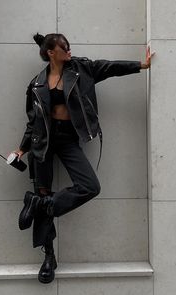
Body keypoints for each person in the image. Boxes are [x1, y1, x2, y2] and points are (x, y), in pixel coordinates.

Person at [11, 32, 155, 284]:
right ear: (50, 53)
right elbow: (32, 121)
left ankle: (41, 204)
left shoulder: (82, 69)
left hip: (68, 139)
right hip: (42, 143)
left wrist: (141, 65)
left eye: (68, 46)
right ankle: (48, 257)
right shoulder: (36, 84)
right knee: (43, 192)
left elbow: (108, 67)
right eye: (63, 47)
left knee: (90, 186)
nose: (69, 50)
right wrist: (21, 149)